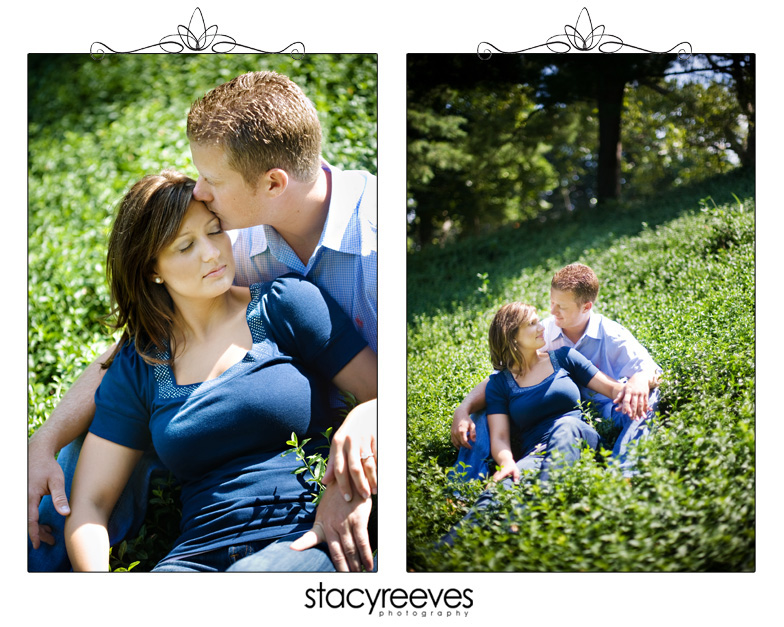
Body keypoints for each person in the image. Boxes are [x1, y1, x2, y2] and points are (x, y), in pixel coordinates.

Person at [28, 71, 377, 571]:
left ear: (273, 183)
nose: (202, 193)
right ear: (153, 269)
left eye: (212, 187)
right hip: (194, 555)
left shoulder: (303, 284)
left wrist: (372, 418)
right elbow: (123, 361)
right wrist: (44, 438)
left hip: (296, 536)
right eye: (186, 245)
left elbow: (385, 391)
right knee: (71, 460)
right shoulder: (246, 235)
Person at [439, 300, 653, 547]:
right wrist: (507, 463)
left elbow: (613, 388)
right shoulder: (500, 385)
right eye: (532, 324)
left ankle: (541, 514)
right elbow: (499, 437)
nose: (542, 326)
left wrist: (641, 380)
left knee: (565, 427)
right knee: (501, 489)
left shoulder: (564, 358)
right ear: (513, 338)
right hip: (537, 453)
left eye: (537, 320)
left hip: (579, 436)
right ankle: (442, 551)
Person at [451, 263, 660, 480]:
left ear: (586, 307)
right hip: (558, 415)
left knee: (647, 397)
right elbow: (504, 379)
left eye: (561, 306)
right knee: (482, 412)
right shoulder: (545, 332)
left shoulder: (612, 335)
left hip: (610, 408)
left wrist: (640, 378)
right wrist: (463, 408)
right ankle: (464, 484)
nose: (551, 312)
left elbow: (651, 370)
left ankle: (624, 470)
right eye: (552, 303)